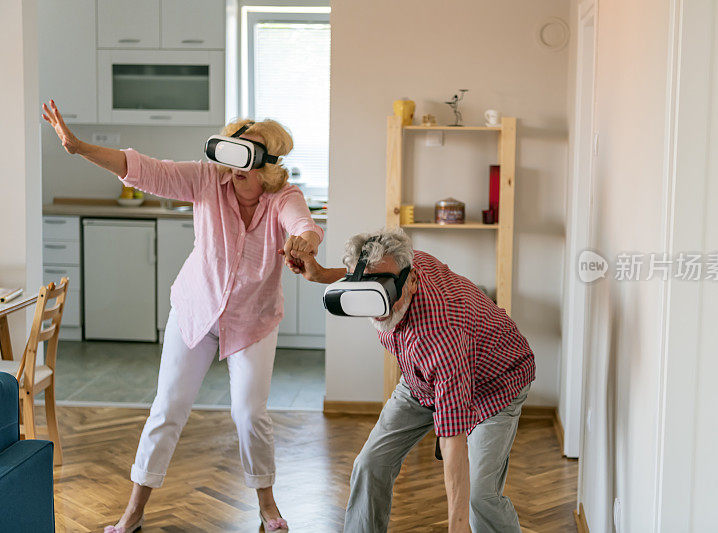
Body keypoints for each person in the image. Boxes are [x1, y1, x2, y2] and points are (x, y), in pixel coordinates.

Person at [41, 100, 323, 533]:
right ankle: (133, 512)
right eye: (232, 150)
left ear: (267, 164)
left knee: (249, 414)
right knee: (168, 407)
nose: (235, 164)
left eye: (247, 154)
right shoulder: (208, 179)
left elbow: (303, 223)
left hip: (253, 320)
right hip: (196, 311)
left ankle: (267, 507)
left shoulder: (283, 196)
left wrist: (305, 240)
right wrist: (78, 147)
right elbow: (146, 169)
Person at [286, 227, 535, 533]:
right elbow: (370, 273)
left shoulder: (441, 332)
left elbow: (453, 439)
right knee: (369, 465)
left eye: (385, 287)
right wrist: (322, 274)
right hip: (421, 381)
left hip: (494, 383)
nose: (374, 300)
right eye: (361, 286)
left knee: (479, 496)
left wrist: (458, 525)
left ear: (412, 281)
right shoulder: (398, 264)